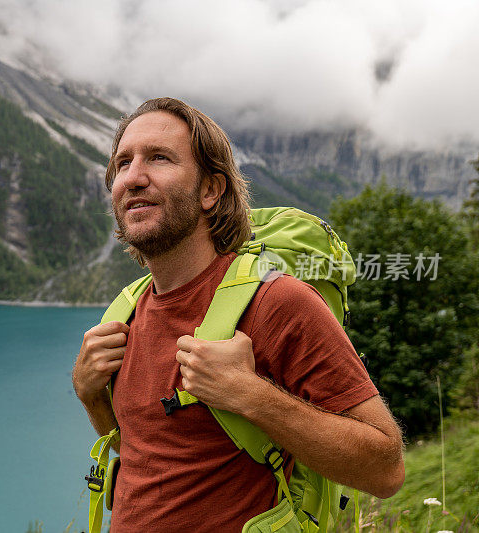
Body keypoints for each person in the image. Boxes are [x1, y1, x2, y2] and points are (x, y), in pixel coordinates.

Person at [72, 97, 405, 532]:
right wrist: (89, 394)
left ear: (211, 190)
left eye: (159, 158)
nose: (133, 177)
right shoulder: (126, 314)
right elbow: (152, 450)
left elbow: (385, 470)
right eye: (122, 164)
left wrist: (250, 394)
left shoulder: (278, 303)